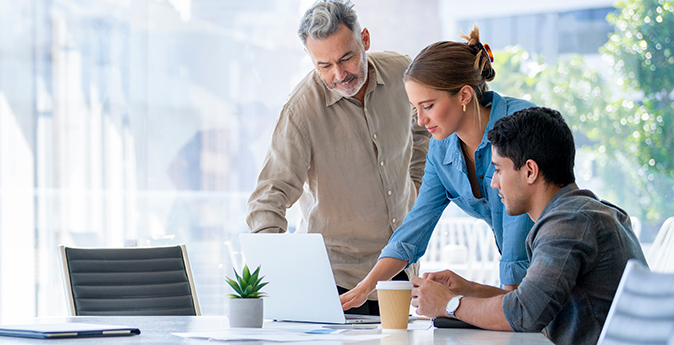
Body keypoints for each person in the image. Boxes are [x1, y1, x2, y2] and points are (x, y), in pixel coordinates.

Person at [246, 0, 430, 315]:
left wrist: (413, 184)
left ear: (365, 40)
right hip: (336, 282)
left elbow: (422, 129)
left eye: (347, 57)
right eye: (324, 65)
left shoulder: (402, 71)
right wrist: (282, 277)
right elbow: (268, 199)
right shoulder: (301, 111)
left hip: (398, 270)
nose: (339, 74)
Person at [411, 107, 647, 345]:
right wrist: (466, 289)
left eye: (499, 169)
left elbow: (525, 313)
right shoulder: (582, 212)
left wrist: (449, 304)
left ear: (530, 171)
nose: (493, 183)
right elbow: (531, 302)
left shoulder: (569, 222)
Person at [341, 26, 535, 311]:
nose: (420, 121)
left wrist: (489, 306)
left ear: (465, 95)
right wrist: (364, 288)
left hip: (559, 271)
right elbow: (414, 228)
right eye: (415, 108)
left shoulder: (519, 126)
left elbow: (517, 237)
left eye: (428, 106)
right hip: (527, 288)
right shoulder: (442, 149)